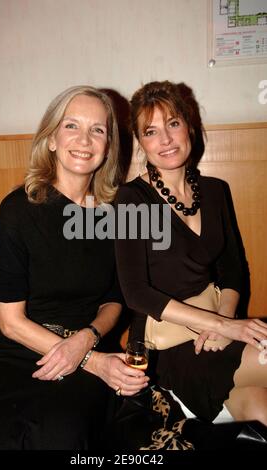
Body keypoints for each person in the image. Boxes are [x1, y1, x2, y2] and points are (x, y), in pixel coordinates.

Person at [0, 85, 149, 450]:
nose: (84, 139)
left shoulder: (117, 214)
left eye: (97, 129)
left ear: (108, 145)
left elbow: (116, 299)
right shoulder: (18, 209)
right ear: (51, 139)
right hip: (15, 347)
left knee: (61, 435)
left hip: (88, 346)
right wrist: (89, 359)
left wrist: (86, 342)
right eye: (71, 126)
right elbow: (10, 321)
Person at [114, 80, 267, 427]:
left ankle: (209, 411)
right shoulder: (132, 199)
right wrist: (221, 326)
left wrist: (225, 325)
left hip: (215, 331)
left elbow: (233, 268)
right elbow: (135, 292)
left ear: (190, 126)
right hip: (169, 347)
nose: (166, 140)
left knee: (261, 405)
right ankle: (181, 395)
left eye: (173, 124)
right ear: (141, 143)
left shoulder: (214, 191)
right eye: (151, 132)